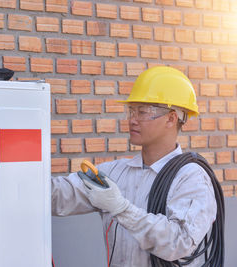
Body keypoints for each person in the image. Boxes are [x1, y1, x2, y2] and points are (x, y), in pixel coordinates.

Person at [51, 66, 217, 266]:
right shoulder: (115, 173)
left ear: (171, 118)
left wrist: (121, 208)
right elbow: (60, 196)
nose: (132, 120)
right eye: (132, 111)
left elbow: (179, 243)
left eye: (143, 112)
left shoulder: (191, 177)